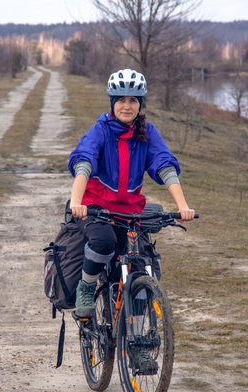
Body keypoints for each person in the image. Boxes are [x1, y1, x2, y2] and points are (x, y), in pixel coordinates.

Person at [68, 68, 195, 319]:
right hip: (96, 207)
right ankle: (87, 286)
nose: (127, 106)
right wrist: (76, 201)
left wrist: (183, 206)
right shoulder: (101, 130)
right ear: (113, 103)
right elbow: (83, 162)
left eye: (133, 100)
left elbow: (164, 164)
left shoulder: (147, 133)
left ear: (140, 104)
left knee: (143, 263)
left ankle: (137, 340)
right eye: (121, 100)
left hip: (130, 211)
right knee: (104, 243)